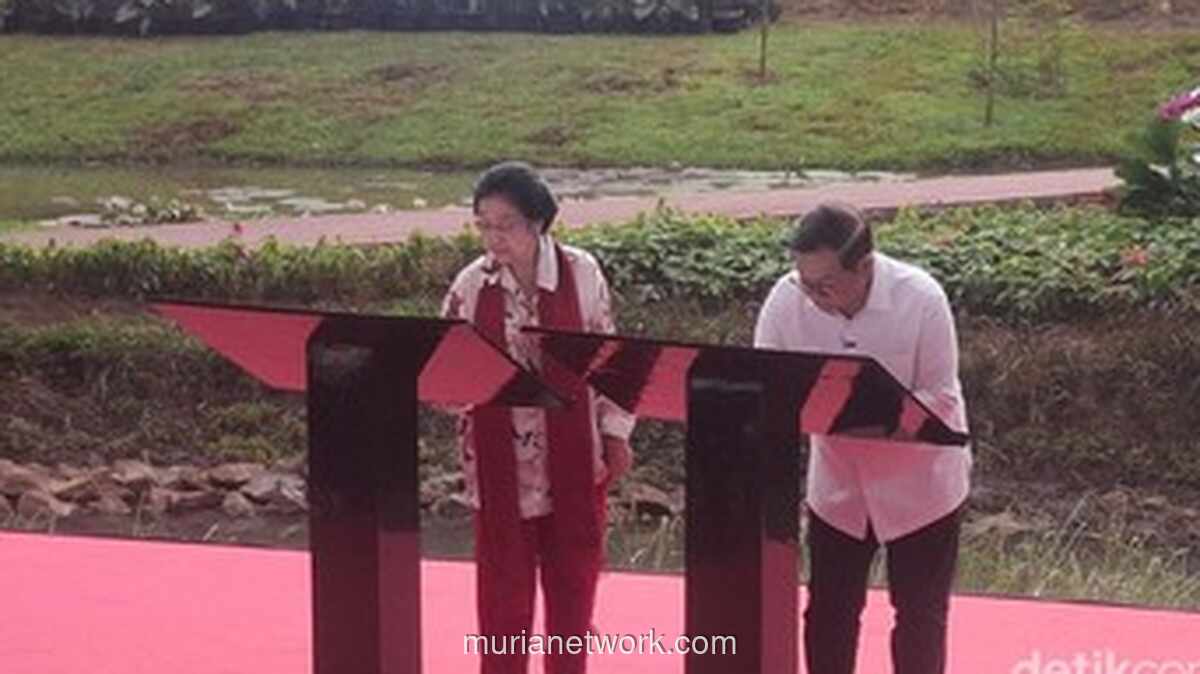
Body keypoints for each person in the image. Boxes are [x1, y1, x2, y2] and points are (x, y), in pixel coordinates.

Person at [753, 202, 972, 674]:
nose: (811, 295)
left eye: (825, 285)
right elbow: (762, 384)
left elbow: (941, 395)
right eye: (804, 281)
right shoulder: (786, 299)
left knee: (919, 615)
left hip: (921, 484)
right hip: (838, 483)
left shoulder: (921, 298)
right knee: (829, 609)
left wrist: (873, 418)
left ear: (864, 267)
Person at [441, 161, 636, 674]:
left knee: (573, 587)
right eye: (483, 224)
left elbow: (610, 361)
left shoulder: (581, 272)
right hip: (498, 458)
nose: (493, 237)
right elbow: (443, 368)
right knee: (503, 594)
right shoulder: (471, 284)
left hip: (571, 454)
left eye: (505, 224)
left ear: (539, 222)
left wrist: (616, 434)